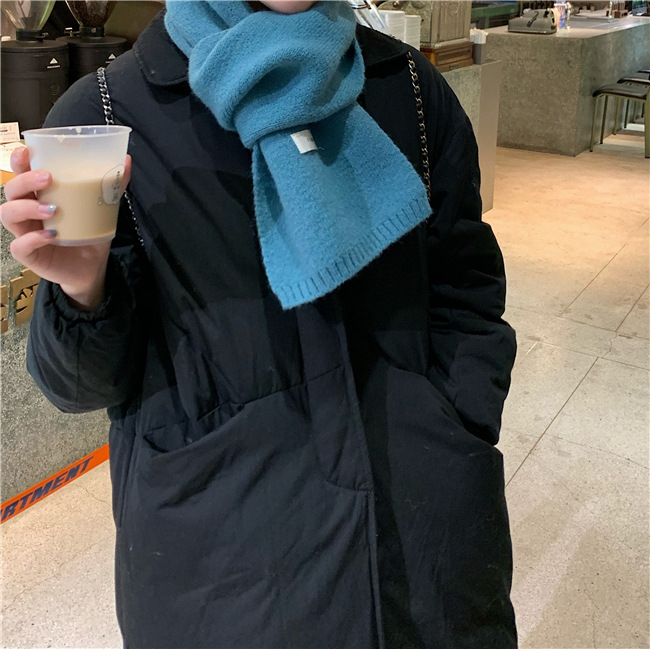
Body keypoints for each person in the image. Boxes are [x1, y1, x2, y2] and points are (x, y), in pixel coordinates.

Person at [1, 1, 518, 647]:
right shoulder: (103, 116)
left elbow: (466, 287)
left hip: (426, 551)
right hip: (218, 576)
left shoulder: (407, 87)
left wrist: (456, 428)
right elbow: (79, 386)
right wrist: (82, 289)